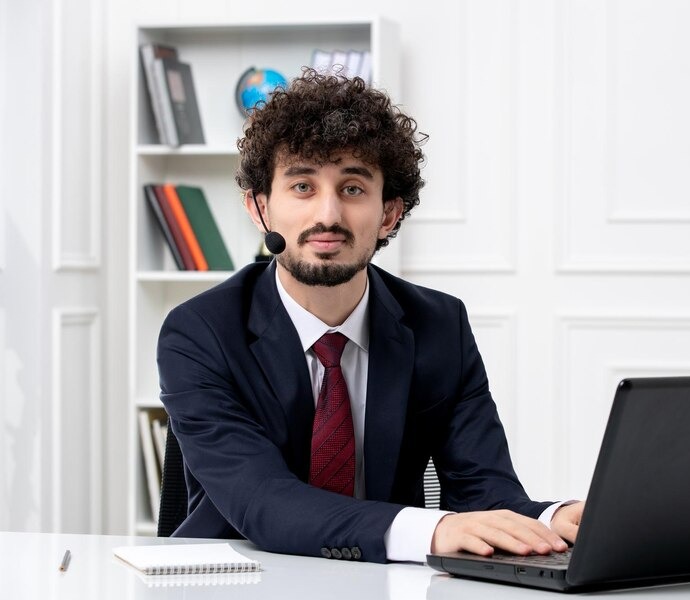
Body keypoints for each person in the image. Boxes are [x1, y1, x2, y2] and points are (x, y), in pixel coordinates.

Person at [157, 69, 583, 563]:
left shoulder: (440, 326)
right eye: (301, 186)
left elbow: (484, 493)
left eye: (354, 188)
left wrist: (554, 519)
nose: (329, 215)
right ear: (260, 209)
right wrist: (433, 530)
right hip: (241, 578)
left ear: (389, 214)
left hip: (387, 582)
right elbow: (263, 501)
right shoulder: (200, 332)